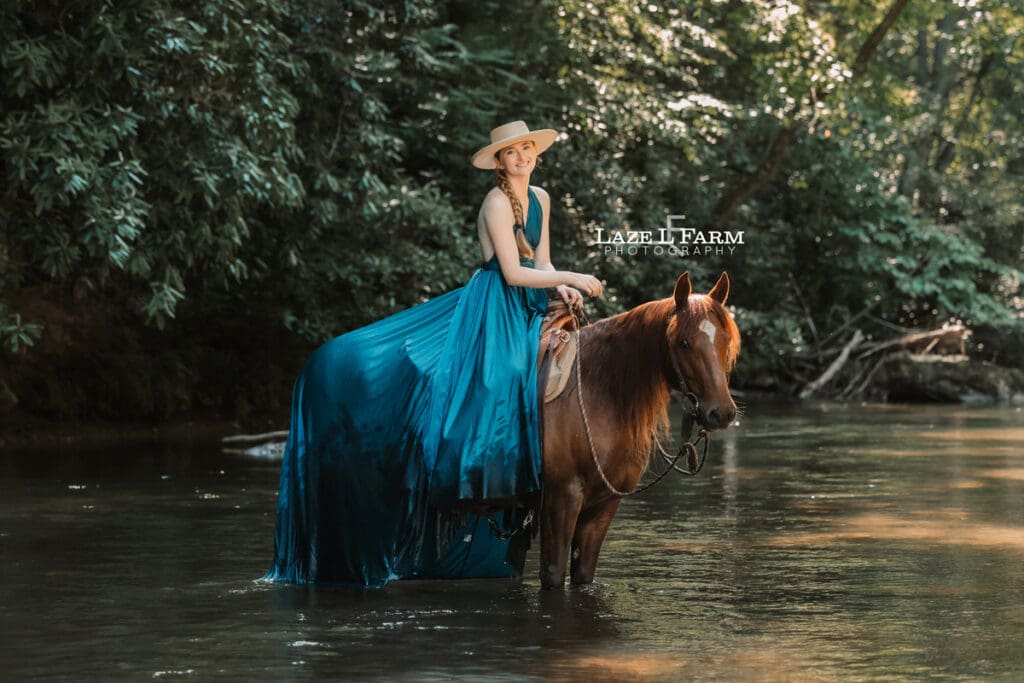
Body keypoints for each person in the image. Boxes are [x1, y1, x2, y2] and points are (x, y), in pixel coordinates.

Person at [264, 121, 603, 587]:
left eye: (528, 148)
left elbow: (540, 265)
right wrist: (574, 275)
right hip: (494, 302)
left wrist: (562, 283)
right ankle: (477, 478)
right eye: (512, 152)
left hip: (531, 299)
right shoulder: (496, 202)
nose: (522, 156)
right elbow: (512, 272)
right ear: (499, 161)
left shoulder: (541, 199)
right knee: (501, 373)